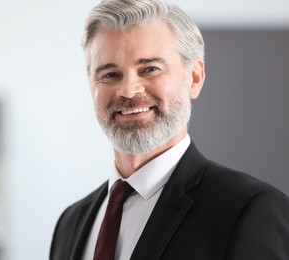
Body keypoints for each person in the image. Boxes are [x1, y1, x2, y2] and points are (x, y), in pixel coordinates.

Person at [49, 0, 289, 259]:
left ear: (194, 78)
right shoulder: (70, 222)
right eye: (110, 75)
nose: (129, 90)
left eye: (149, 69)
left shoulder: (249, 209)